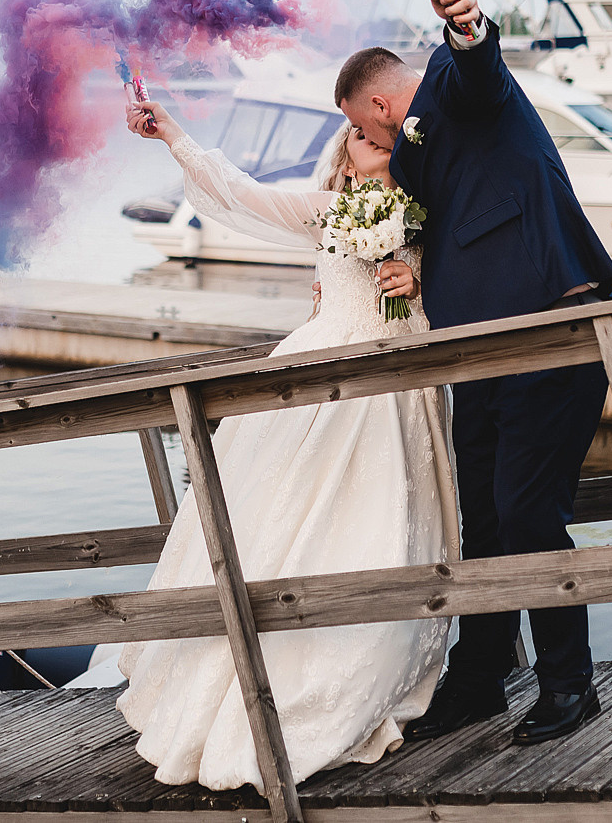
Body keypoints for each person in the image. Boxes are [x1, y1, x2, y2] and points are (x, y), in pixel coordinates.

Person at [80, 101, 459, 791]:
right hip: (323, 370)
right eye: (352, 133)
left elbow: (468, 284)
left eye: (372, 129)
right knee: (286, 514)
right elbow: (244, 193)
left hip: (399, 376)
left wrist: (423, 282)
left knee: (383, 519)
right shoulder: (327, 209)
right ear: (346, 157)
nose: (362, 136)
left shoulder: (428, 208)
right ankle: (262, 679)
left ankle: (369, 658)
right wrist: (173, 135)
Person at [334, 0, 612, 747]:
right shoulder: (419, 153)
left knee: (529, 512)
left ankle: (569, 684)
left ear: (382, 106)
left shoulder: (451, 92)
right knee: (484, 518)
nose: (374, 141)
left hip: (551, 330)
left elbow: (479, 64)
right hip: (482, 351)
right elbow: (458, 218)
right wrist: (419, 266)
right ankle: (478, 680)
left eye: (368, 127)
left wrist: (467, 21)